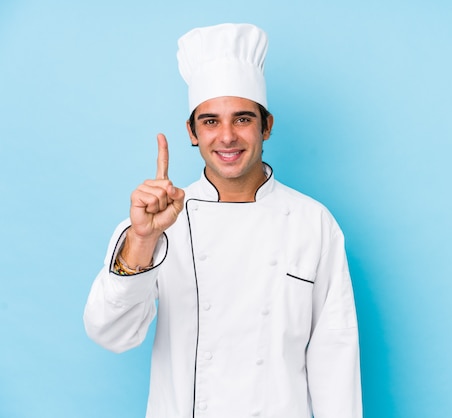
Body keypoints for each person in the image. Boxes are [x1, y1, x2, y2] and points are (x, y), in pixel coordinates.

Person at [83, 23, 362, 418]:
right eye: (211, 121)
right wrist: (142, 240)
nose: (226, 136)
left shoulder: (312, 222)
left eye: (243, 119)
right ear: (192, 132)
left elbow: (335, 354)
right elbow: (109, 333)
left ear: (266, 125)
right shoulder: (158, 220)